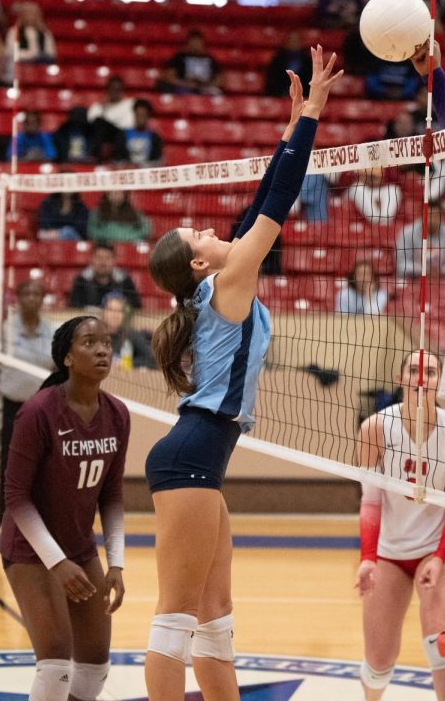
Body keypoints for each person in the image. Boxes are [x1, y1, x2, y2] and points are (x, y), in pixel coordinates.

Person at [142, 49, 341, 700]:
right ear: (200, 266)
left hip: (202, 452)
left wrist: (288, 127)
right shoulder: (229, 282)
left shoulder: (217, 285)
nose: (208, 229)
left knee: (214, 622)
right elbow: (276, 201)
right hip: (193, 453)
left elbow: (260, 197)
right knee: (174, 620)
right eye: (197, 234)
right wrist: (312, 116)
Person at [1, 316, 128, 701]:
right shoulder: (38, 412)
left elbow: (112, 495)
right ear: (67, 358)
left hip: (79, 548)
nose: (102, 349)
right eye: (90, 343)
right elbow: (15, 496)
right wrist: (56, 562)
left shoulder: (118, 414)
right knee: (56, 666)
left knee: (93, 670)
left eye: (106, 342)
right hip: (30, 550)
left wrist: (116, 563)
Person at [356, 352, 445, 701]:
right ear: (401, 379)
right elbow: (370, 502)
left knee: (439, 642)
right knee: (379, 660)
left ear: (439, 382)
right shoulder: (374, 428)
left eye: (430, 371)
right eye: (414, 370)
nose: (421, 377)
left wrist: (440, 556)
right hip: (389, 552)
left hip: (438, 548)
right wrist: (369, 558)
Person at [0, 279, 58, 486]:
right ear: (18, 299)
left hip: (41, 410)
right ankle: (5, 511)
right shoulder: (6, 329)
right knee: (10, 460)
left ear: (43, 299)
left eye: (36, 294)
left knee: (41, 461)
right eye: (26, 294)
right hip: (11, 406)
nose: (31, 298)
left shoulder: (52, 331)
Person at [395, 199, 445, 279]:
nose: (431, 220)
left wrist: (442, 270)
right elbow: (401, 265)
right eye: (428, 216)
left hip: (444, 281)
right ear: (421, 215)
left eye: (435, 216)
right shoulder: (407, 233)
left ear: (442, 217)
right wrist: (423, 270)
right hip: (414, 280)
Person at [68, 242, 142, 310]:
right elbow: (73, 308)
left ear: (114, 260)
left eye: (107, 258)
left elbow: (136, 307)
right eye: (99, 257)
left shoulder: (124, 280)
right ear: (92, 260)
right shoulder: (82, 280)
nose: (103, 262)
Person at [100, 291, 155, 370]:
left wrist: (126, 364)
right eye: (111, 310)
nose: (115, 315)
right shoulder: (95, 336)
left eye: (119, 311)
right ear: (103, 312)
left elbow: (151, 361)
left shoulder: (132, 334)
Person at [159, 31, 222, 96]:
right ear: (188, 43)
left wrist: (207, 85)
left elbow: (219, 79)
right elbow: (169, 77)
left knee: (216, 93)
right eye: (193, 41)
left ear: (202, 43)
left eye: (198, 41)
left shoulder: (210, 59)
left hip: (205, 89)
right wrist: (185, 84)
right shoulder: (179, 57)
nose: (195, 44)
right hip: (183, 88)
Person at [264, 31, 313, 97]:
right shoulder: (277, 60)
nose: (294, 43)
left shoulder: (308, 61)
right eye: (291, 40)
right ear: (286, 42)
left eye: (296, 40)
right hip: (279, 97)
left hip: (303, 98)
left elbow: (311, 82)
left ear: (301, 42)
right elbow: (271, 82)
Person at [121, 100, 164, 167]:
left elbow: (158, 160)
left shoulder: (155, 137)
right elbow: (118, 159)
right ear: (134, 114)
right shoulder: (123, 135)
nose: (140, 118)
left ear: (148, 116)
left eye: (143, 115)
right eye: (138, 114)